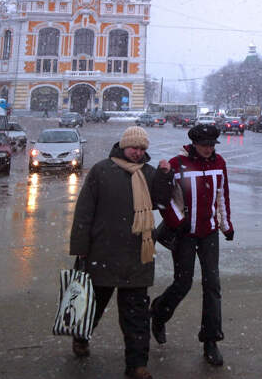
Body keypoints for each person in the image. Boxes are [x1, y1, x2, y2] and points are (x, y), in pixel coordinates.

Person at [69, 126, 173, 379]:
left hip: (137, 256)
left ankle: (137, 365)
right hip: (102, 253)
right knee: (93, 306)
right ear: (123, 146)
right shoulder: (101, 171)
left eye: (142, 149)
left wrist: (164, 176)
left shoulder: (148, 174)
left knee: (136, 315)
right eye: (134, 148)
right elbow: (84, 211)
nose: (137, 153)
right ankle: (81, 337)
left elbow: (161, 204)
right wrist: (80, 248)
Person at [150, 124, 235, 367]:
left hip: (208, 233)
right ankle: (159, 313)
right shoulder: (178, 164)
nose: (209, 149)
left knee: (212, 284)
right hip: (185, 234)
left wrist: (226, 226)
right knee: (183, 282)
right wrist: (179, 222)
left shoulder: (219, 163)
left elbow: (222, 195)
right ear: (194, 144)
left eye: (211, 145)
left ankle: (211, 340)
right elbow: (164, 201)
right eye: (204, 145)